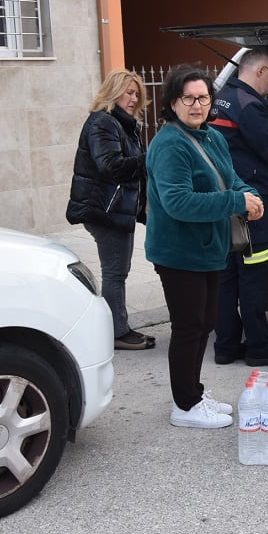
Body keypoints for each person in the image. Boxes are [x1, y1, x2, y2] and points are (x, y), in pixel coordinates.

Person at [145, 65, 265, 429]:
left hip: (210, 248)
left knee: (205, 323)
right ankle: (184, 405)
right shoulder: (169, 144)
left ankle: (193, 393)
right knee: (188, 327)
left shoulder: (210, 136)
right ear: (172, 102)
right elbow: (177, 202)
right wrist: (235, 202)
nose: (197, 105)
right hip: (179, 252)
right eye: (188, 98)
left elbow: (232, 179)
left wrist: (250, 195)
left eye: (203, 97)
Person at [211, 48, 268, 367]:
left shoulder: (225, 95)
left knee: (227, 274)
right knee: (255, 273)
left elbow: (249, 128)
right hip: (252, 201)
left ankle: (225, 344)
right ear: (261, 71)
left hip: (225, 198)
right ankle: (259, 346)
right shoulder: (249, 105)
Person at [66, 69, 155, 351]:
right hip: (104, 209)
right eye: (128, 92)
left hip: (114, 208)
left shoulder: (123, 123)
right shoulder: (103, 122)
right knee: (115, 272)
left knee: (118, 271)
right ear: (113, 91)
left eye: (137, 93)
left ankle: (118, 327)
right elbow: (111, 166)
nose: (133, 98)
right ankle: (117, 332)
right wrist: (149, 158)